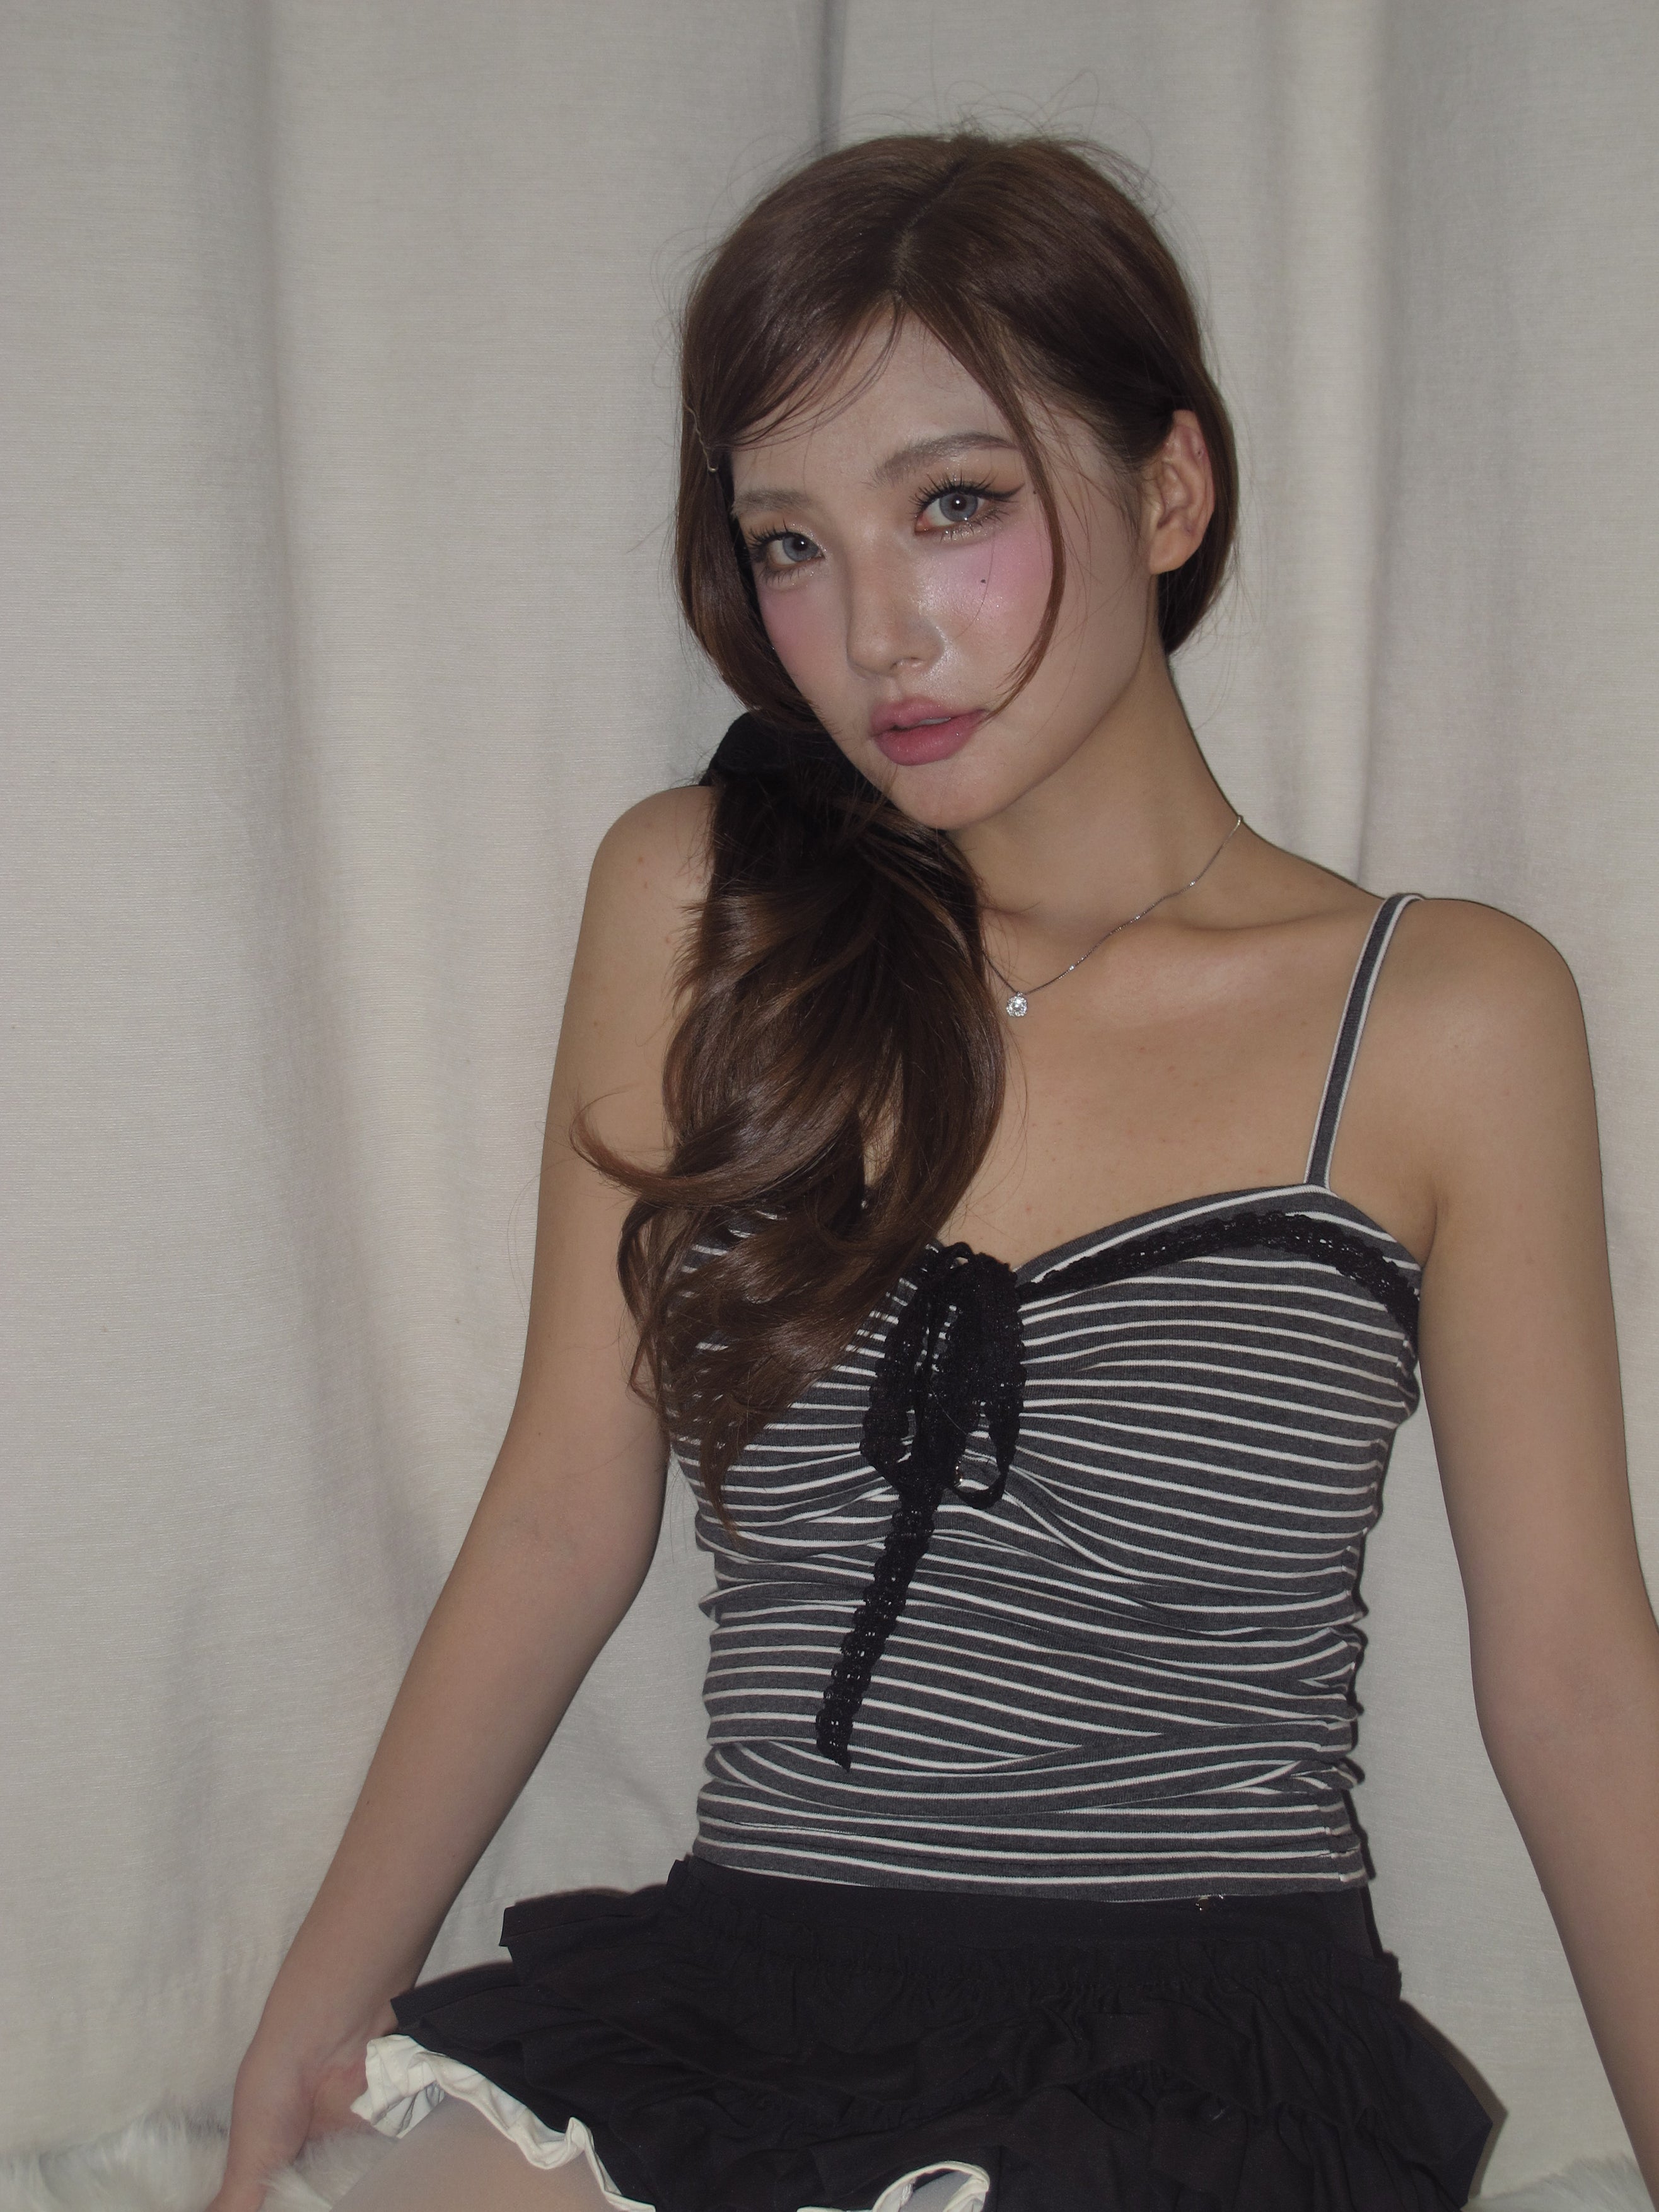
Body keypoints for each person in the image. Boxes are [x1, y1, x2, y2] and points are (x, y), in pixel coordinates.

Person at [208, 131, 1659, 2212]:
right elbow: (559, 1509)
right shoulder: (709, 908)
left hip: (1197, 2045)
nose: (874, 630)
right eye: (791, 545)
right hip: (736, 1996)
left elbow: (1580, 1685)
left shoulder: (1443, 1014)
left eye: (953, 503)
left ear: (1171, 488)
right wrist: (312, 2017)